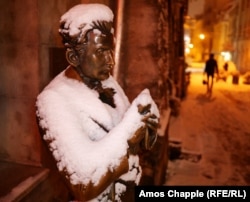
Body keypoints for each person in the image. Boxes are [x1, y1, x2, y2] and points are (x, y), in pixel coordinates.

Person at [36, 4, 159, 202]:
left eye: (110, 51)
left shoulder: (106, 81)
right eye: (101, 52)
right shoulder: (52, 101)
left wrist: (145, 130)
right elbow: (84, 182)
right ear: (74, 57)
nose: (110, 62)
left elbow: (129, 141)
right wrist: (130, 135)